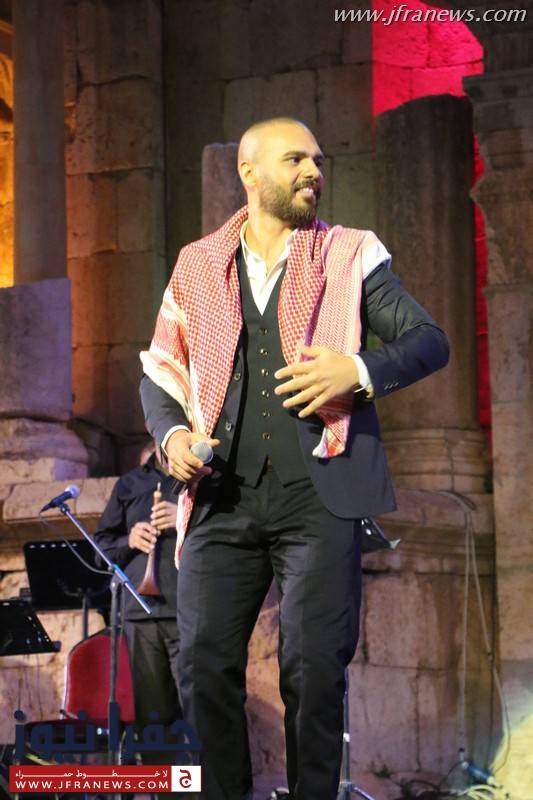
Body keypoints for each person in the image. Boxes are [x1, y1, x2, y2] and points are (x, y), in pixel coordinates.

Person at [139, 117, 450, 800]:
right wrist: (174, 437)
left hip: (317, 493)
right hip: (222, 494)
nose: (313, 171)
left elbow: (429, 341)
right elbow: (160, 373)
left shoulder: (349, 254)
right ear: (249, 173)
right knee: (202, 664)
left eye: (318, 160)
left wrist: (357, 372)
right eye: (295, 160)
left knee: (311, 669)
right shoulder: (198, 264)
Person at [93, 443, 183, 772]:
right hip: (140, 613)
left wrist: (184, 518)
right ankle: (168, 791)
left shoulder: (202, 480)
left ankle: (210, 789)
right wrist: (128, 541)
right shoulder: (129, 484)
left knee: (204, 706)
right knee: (153, 715)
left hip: (189, 610)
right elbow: (100, 548)